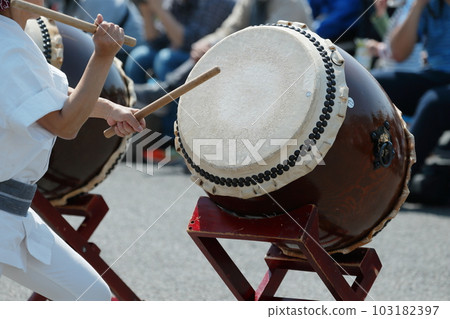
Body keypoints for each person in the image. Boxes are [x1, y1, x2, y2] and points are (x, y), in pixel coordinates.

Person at [0, 0, 145, 300]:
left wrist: (110, 108)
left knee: (92, 295)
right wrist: (103, 56)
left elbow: (47, 94)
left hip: (11, 211)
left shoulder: (11, 40)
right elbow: (65, 125)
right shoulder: (7, 47)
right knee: (91, 297)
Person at [133, 0, 313, 139]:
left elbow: (271, 41)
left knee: (178, 59)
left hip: (282, 69)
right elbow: (229, 29)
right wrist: (209, 42)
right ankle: (166, 97)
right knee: (198, 55)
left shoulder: (290, 4)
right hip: (252, 61)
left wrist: (221, 47)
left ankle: (166, 100)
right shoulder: (250, 2)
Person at [373, 0, 450, 204]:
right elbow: (398, 53)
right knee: (375, 84)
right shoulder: (431, 6)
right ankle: (362, 162)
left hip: (439, 90)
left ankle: (396, 183)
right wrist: (418, 5)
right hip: (437, 73)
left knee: (434, 102)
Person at [124, 0, 236, 85]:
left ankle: (170, 110)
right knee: (140, 55)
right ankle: (134, 106)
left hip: (207, 57)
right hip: (181, 50)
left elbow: (187, 42)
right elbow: (154, 41)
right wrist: (146, 10)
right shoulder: (177, 2)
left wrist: (160, 10)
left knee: (166, 59)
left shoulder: (214, 3)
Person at [47, 0, 146, 63]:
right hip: (110, 48)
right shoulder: (67, 4)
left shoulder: (93, 2)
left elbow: (90, 44)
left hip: (128, 52)